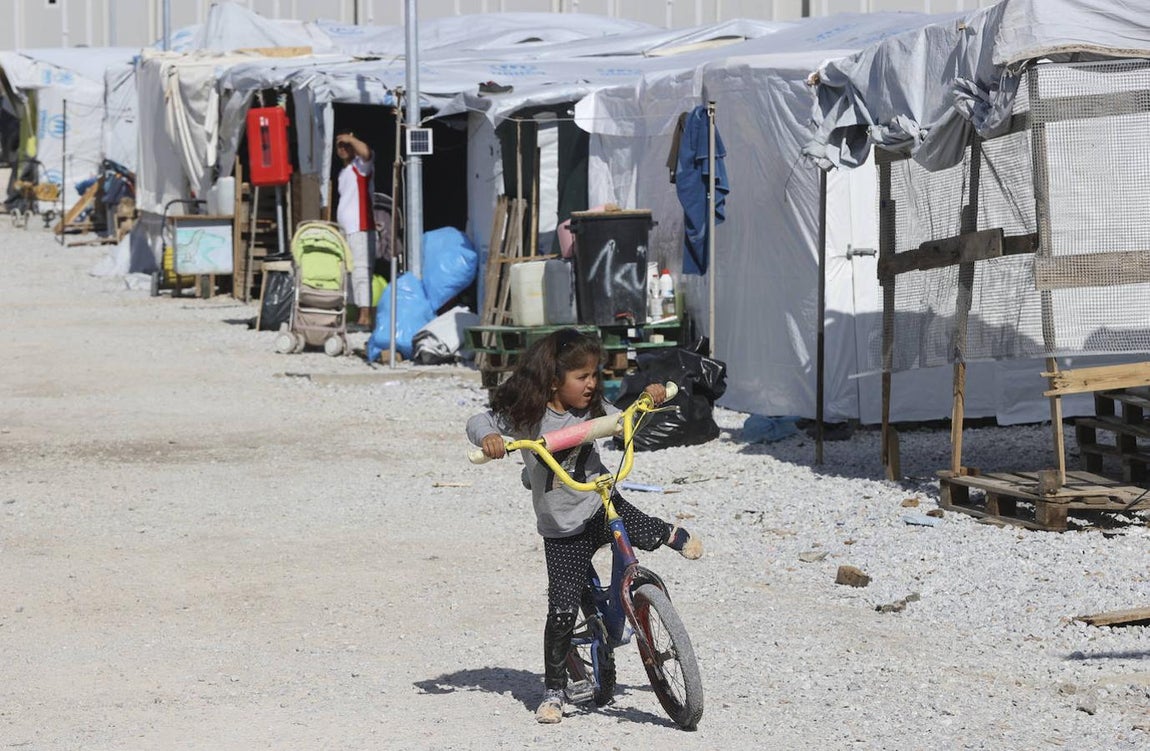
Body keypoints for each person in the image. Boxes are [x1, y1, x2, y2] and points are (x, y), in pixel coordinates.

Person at [466, 328, 703, 725]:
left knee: (636, 527)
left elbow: (625, 423)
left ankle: (669, 535)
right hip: (562, 525)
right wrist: (490, 437)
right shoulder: (528, 413)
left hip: (597, 499)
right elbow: (480, 418)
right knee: (561, 610)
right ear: (555, 380)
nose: (592, 384)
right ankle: (554, 691)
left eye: (595, 374)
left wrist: (647, 401)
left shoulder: (592, 408)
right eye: (582, 377)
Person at [334, 130, 376, 329]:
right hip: (346, 230)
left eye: (347, 146)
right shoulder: (344, 172)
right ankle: (354, 313)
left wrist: (351, 139)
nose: (343, 148)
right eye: (340, 146)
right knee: (349, 273)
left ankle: (365, 316)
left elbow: (367, 153)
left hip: (361, 227)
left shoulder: (361, 166)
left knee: (361, 271)